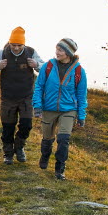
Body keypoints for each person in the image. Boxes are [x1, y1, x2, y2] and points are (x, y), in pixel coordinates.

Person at [0, 26, 43, 165]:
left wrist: (36, 65)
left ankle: (19, 147)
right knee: (7, 128)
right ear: (9, 43)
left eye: (19, 45)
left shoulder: (31, 52)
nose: (16, 48)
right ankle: (8, 154)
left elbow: (44, 67)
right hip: (8, 98)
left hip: (26, 97)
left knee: (26, 125)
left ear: (23, 44)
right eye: (13, 45)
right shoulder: (3, 53)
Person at [33, 38, 88, 180]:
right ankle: (45, 156)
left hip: (68, 109)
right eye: (57, 49)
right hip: (49, 108)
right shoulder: (48, 66)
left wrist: (81, 115)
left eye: (61, 50)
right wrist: (37, 106)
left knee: (63, 139)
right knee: (47, 138)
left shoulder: (79, 71)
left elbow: (82, 95)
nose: (57, 52)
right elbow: (39, 87)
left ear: (69, 53)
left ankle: (59, 168)